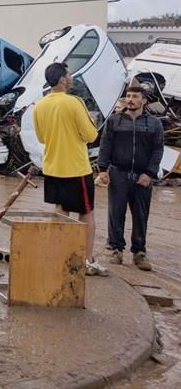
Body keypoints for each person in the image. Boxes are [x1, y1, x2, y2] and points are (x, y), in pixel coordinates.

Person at [33, 62, 108, 276]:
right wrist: (91, 122)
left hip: (52, 167)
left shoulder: (40, 105)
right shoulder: (75, 102)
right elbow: (91, 136)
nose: (71, 78)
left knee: (61, 211)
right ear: (63, 80)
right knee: (86, 213)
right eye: (69, 74)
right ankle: (87, 260)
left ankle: (60, 256)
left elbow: (40, 137)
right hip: (76, 168)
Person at [97, 85, 164, 271]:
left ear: (144, 100)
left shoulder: (154, 124)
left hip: (142, 176)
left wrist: (150, 173)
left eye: (135, 96)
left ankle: (139, 253)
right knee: (115, 213)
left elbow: (158, 149)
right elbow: (105, 145)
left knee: (141, 215)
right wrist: (102, 169)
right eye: (128, 96)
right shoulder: (114, 121)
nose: (131, 99)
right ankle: (116, 249)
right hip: (118, 173)